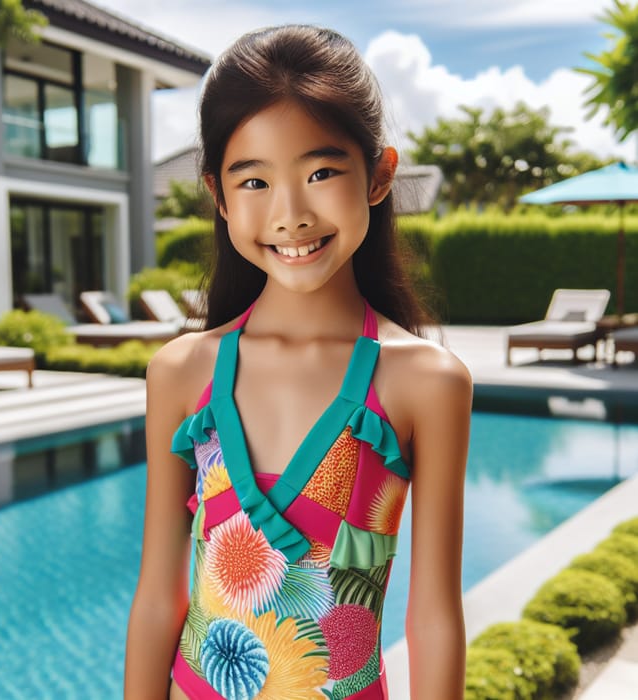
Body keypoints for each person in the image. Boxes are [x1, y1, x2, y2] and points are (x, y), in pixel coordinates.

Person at [125, 24, 471, 700]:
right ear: (219, 198)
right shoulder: (180, 373)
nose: (290, 214)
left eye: (320, 173)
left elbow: (432, 621)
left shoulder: (425, 383)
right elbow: (158, 600)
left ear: (379, 175)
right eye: (253, 180)